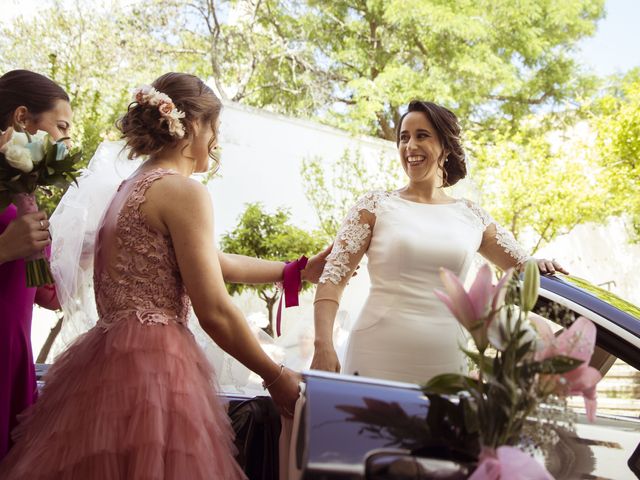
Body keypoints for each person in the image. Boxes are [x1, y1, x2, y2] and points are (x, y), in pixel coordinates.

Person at [0, 72, 320, 479]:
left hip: (107, 359)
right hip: (154, 365)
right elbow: (216, 311)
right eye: (214, 127)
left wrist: (294, 272)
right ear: (192, 126)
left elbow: (207, 258)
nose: (216, 141)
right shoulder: (183, 192)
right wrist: (275, 376)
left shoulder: (130, 186)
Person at [310, 100, 568, 384]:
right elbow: (332, 278)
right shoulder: (374, 206)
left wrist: (539, 265)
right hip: (375, 354)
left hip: (447, 361)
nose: (410, 146)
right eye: (404, 138)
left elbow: (522, 265)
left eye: (422, 135)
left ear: (445, 147)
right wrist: (323, 345)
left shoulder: (472, 216)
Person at [0, 69, 69, 461]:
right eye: (61, 126)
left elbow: (44, 293)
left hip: (15, 353)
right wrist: (4, 249)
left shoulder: (25, 194)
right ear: (22, 118)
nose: (66, 141)